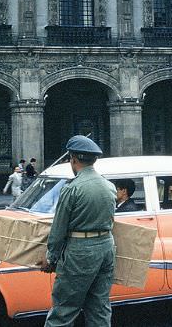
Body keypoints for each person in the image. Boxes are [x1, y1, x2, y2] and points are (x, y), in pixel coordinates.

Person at [39, 135, 116, 327]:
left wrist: (51, 258)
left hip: (80, 252)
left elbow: (59, 229)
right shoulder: (109, 186)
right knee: (99, 308)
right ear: (94, 160)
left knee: (64, 310)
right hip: (106, 248)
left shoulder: (72, 188)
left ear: (73, 159)